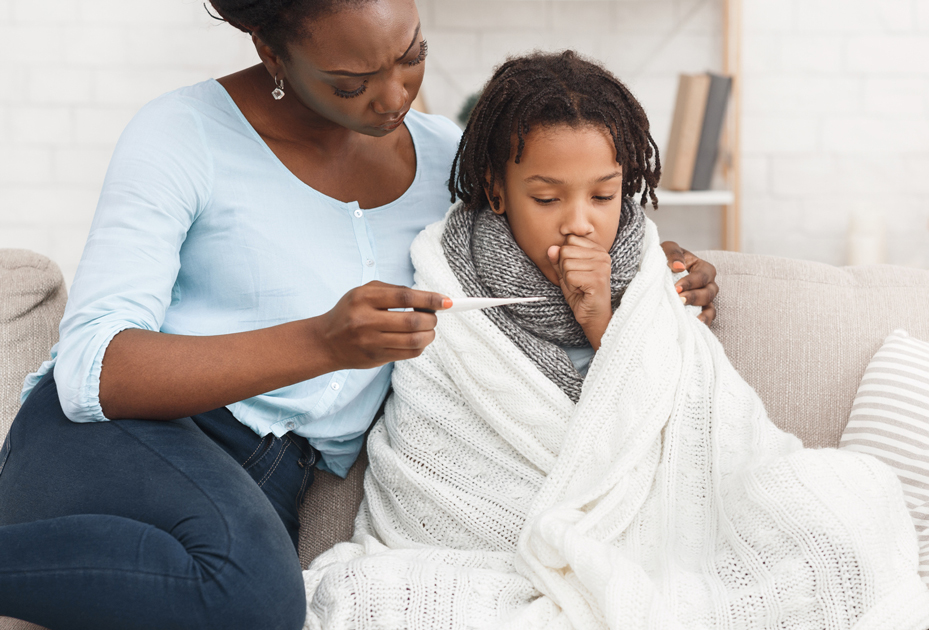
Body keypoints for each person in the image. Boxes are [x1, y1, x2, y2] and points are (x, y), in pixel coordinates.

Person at [0, 1, 718, 628]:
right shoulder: (182, 134)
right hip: (119, 442)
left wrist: (648, 264)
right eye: (351, 81)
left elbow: (549, 229)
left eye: (411, 56)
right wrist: (320, 341)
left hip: (263, 485)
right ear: (272, 52)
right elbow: (92, 369)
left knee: (246, 594)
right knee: (256, 601)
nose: (393, 96)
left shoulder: (454, 162)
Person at [303, 50, 929, 630]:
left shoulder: (657, 275)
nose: (581, 220)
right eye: (547, 197)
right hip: (501, 550)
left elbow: (703, 426)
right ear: (497, 189)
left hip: (675, 533)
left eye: (603, 195)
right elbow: (437, 467)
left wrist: (602, 317)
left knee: (849, 502)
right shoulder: (445, 282)